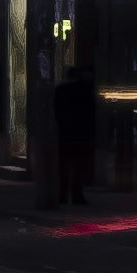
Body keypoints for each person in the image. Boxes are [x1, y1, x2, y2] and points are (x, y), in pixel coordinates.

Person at [45, 55, 102, 214]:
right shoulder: (85, 90)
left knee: (64, 166)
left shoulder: (61, 90)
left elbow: (56, 112)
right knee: (78, 166)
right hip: (81, 133)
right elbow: (91, 113)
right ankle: (76, 195)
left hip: (66, 133)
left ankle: (63, 194)